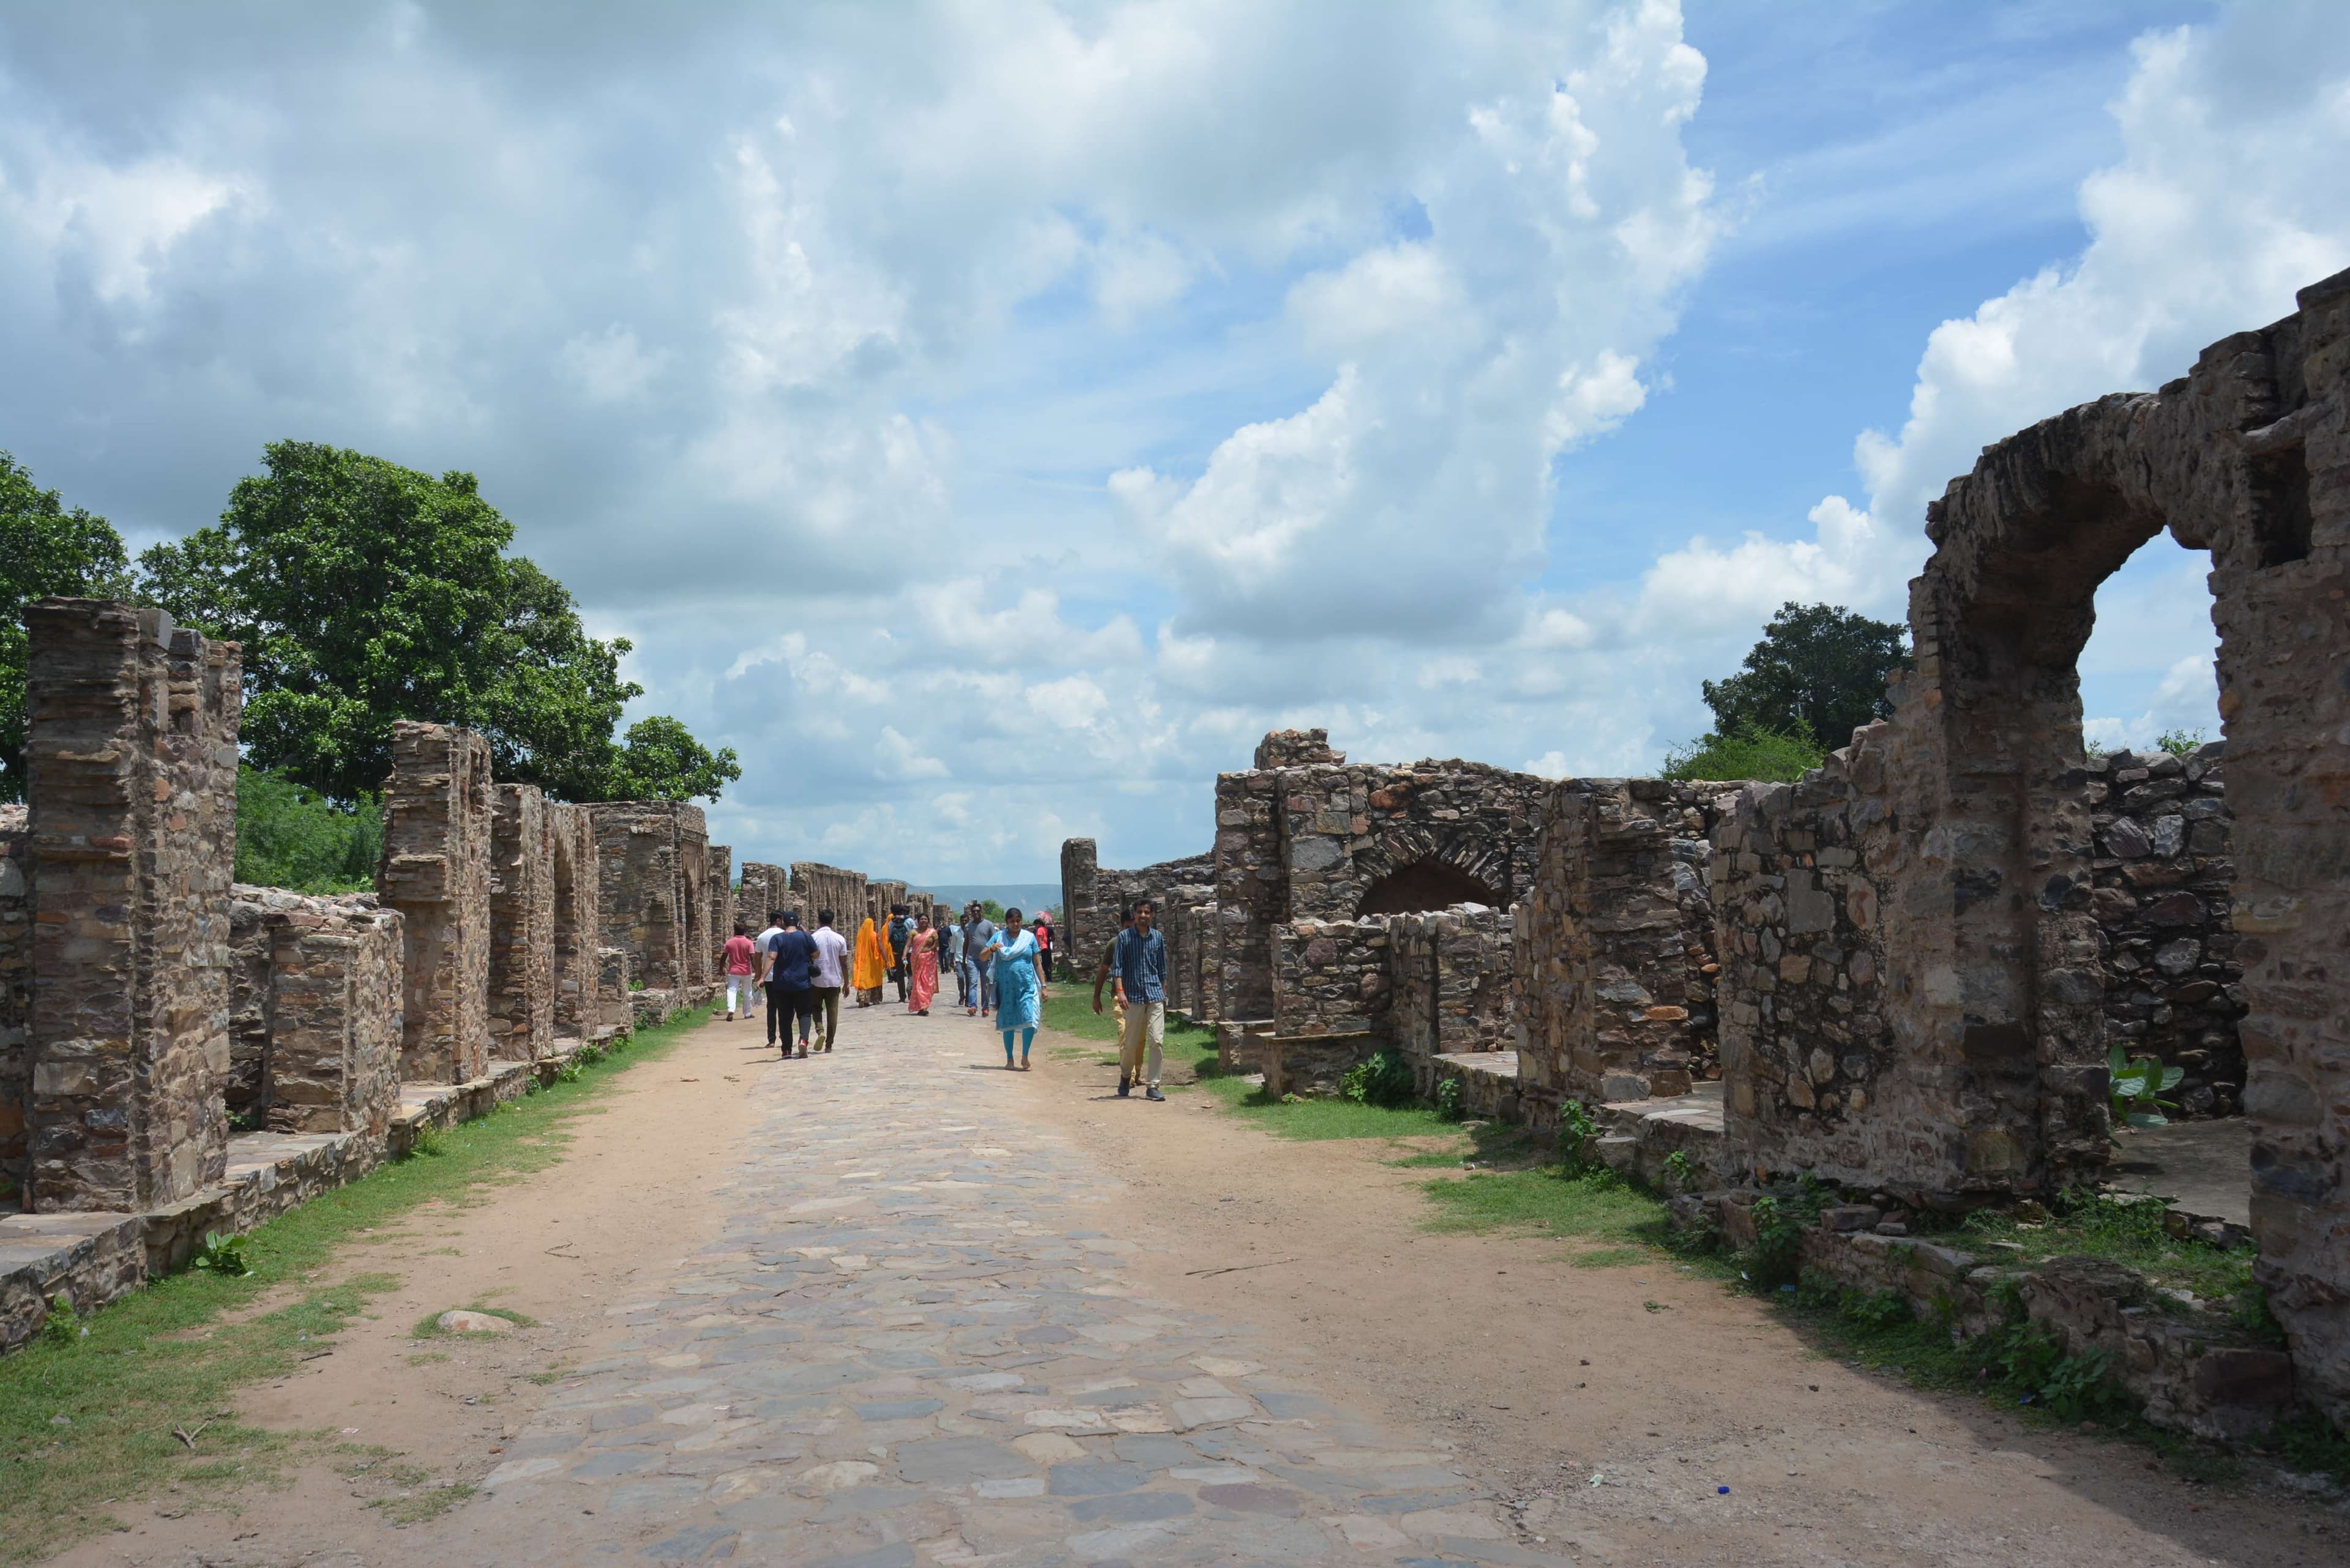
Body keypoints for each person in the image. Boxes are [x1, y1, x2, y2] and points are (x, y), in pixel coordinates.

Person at [1095, 898, 1166, 1100]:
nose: (1143, 916)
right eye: (1140, 912)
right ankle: (1126, 1076)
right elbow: (1116, 968)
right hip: (1132, 996)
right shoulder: (1124, 938)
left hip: (1154, 995)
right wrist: (1120, 991)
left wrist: (1164, 995)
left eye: (1147, 912)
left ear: (1152, 915)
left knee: (1157, 1041)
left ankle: (1153, 1085)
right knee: (1131, 1043)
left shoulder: (1158, 938)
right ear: (1134, 914)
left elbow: (1162, 970)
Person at [982, 906, 1044, 1070]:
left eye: (1018, 921)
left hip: (1027, 987)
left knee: (1030, 1019)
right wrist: (991, 949)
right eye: (1012, 922)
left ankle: (1025, 1056)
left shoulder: (1029, 938)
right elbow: (982, 956)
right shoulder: (998, 937)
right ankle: (1010, 1059)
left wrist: (1043, 986)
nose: (1015, 924)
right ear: (1007, 923)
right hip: (1006, 989)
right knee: (1008, 1022)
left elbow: (1037, 963)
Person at [764, 910, 818, 1058]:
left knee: (784, 1016)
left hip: (782, 984)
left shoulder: (777, 938)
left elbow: (771, 957)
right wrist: (805, 932)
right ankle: (803, 1040)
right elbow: (816, 954)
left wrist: (762, 977)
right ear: (798, 923)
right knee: (805, 1013)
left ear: (783, 922)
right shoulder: (805, 937)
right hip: (802, 982)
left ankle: (786, 1049)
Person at [809, 909, 851, 1051]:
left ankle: (820, 1030)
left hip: (816, 980)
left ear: (819, 921)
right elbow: (844, 963)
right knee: (833, 1012)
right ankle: (829, 1044)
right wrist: (846, 983)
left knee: (816, 1007)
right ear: (832, 922)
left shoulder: (813, 938)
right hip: (834, 980)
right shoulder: (839, 939)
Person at [752, 907, 786, 1024]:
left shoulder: (762, 937)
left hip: (768, 977)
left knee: (771, 1007)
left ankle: (771, 1039)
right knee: (784, 1007)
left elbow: (758, 958)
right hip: (783, 976)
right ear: (778, 920)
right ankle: (784, 1034)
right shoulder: (785, 935)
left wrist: (759, 975)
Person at [962, 903, 996, 1018]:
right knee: (972, 982)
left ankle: (985, 1007)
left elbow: (994, 942)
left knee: (985, 984)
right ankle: (972, 1006)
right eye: (974, 911)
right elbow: (966, 943)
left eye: (978, 911)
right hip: (972, 959)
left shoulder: (989, 925)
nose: (976, 913)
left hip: (986, 959)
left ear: (982, 912)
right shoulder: (968, 926)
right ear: (971, 913)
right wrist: (963, 959)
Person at [722, 921, 756, 1021]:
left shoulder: (730, 942)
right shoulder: (749, 943)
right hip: (746, 971)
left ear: (735, 931)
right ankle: (747, 1013)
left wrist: (721, 968)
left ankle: (731, 1010)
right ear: (744, 931)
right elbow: (752, 957)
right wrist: (757, 970)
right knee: (747, 992)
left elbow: (724, 957)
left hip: (733, 971)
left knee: (732, 990)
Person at [907, 911, 939, 1015]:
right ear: (918, 921)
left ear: (928, 921)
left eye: (925, 919)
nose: (924, 921)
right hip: (916, 961)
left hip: (929, 961)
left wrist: (932, 952)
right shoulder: (913, 933)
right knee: (918, 983)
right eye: (922, 919)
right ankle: (922, 1006)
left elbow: (937, 946)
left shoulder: (933, 933)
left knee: (928, 983)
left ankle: (925, 1005)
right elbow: (908, 945)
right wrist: (904, 954)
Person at [852, 914, 887, 1006]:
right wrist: (886, 960)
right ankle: (875, 999)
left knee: (863, 981)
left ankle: (863, 997)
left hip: (863, 961)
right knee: (874, 979)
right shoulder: (875, 935)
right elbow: (881, 948)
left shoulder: (860, 935)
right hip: (874, 963)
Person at [886, 905, 912, 1002]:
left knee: (900, 973)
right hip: (909, 952)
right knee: (910, 971)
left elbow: (889, 937)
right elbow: (915, 934)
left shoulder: (891, 923)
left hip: (898, 953)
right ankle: (910, 988)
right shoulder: (909, 921)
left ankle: (902, 996)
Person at [943, 915, 966, 1006]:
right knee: (960, 977)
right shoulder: (957, 933)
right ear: (960, 922)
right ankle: (962, 994)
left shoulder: (972, 932)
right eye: (963, 921)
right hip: (959, 958)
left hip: (970, 959)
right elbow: (953, 947)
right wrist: (951, 959)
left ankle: (969, 998)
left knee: (970, 980)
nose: (964, 922)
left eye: (966, 921)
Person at [1032, 910, 1055, 985]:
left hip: (1043, 947)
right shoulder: (1045, 929)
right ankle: (1049, 976)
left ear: (1038, 924)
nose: (1035, 927)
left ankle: (1048, 977)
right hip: (1046, 947)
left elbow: (1040, 939)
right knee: (1048, 962)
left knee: (1044, 964)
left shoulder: (1040, 930)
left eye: (1035, 925)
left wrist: (1039, 946)